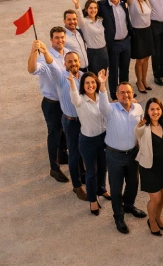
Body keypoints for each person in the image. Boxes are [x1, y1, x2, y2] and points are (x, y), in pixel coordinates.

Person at [98, 81, 147, 234]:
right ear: (117, 95)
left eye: (129, 92)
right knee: (116, 188)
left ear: (133, 94)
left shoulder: (138, 108)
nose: (126, 95)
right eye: (122, 92)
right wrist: (102, 85)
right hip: (115, 155)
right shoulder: (110, 109)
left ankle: (129, 206)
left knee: (133, 183)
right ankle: (118, 217)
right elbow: (102, 105)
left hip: (133, 153)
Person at [45, 51, 88, 200]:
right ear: (64, 64)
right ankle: (77, 187)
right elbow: (51, 64)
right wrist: (44, 51)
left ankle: (83, 174)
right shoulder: (61, 77)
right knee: (74, 154)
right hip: (70, 122)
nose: (73, 64)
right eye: (69, 61)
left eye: (75, 61)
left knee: (84, 150)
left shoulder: (84, 77)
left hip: (84, 120)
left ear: (79, 62)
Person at [27, 35, 69, 184]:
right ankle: (54, 168)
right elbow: (32, 70)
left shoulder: (67, 53)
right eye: (57, 38)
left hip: (65, 101)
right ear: (51, 40)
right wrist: (33, 51)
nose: (60, 41)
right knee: (54, 135)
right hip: (52, 104)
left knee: (64, 131)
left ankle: (63, 155)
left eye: (62, 38)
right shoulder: (44, 58)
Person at [69, 69, 109, 215]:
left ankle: (102, 189)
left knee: (103, 167)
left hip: (104, 138)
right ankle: (92, 199)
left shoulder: (101, 96)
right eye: (87, 83)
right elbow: (74, 96)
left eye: (93, 82)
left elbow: (108, 107)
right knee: (92, 172)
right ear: (83, 85)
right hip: (88, 141)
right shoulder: (79, 100)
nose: (91, 85)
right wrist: (72, 83)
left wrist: (103, 83)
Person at [134, 97, 163, 236]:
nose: (155, 112)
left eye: (157, 109)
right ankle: (152, 221)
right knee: (155, 198)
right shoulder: (143, 127)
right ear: (147, 112)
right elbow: (136, 133)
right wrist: (139, 126)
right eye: (152, 109)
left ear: (161, 110)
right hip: (149, 168)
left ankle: (158, 217)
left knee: (161, 195)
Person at [122, 0, 156, 94]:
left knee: (147, 58)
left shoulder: (145, 1)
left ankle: (144, 79)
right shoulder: (133, 1)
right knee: (140, 60)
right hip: (138, 32)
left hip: (148, 31)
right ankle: (139, 81)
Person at [97, 0, 133, 100]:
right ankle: (114, 95)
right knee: (113, 70)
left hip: (126, 41)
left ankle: (125, 92)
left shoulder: (123, 3)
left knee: (125, 69)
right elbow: (86, 11)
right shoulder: (102, 5)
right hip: (113, 43)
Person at [70, 0, 109, 74]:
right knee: (94, 77)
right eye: (90, 8)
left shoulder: (100, 20)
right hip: (93, 53)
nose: (93, 10)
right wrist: (77, 5)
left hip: (104, 51)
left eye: (95, 8)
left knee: (104, 76)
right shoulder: (84, 23)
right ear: (86, 9)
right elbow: (79, 15)